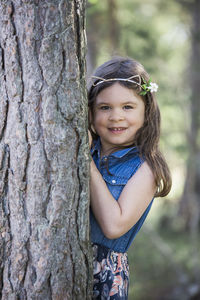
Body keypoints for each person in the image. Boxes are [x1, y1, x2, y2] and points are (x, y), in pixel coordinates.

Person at [88, 56, 172, 299]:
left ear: (146, 110)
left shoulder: (146, 168)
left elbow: (114, 226)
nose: (116, 116)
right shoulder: (87, 150)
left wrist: (86, 163)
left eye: (127, 107)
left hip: (103, 278)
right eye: (105, 107)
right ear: (91, 112)